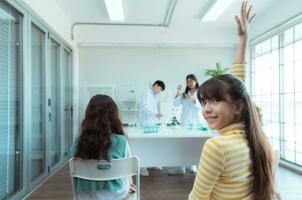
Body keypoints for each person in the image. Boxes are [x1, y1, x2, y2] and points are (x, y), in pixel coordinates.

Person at [189, 2, 279, 199]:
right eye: (203, 102)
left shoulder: (217, 147)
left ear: (238, 106)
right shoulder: (259, 139)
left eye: (214, 101)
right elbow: (239, 87)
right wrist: (243, 39)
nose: (206, 109)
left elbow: (197, 198)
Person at [70, 95, 136, 200]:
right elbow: (129, 171)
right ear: (114, 116)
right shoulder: (121, 141)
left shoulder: (78, 141)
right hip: (118, 195)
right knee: (129, 176)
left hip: (85, 196)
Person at [166, 74, 205, 175]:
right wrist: (178, 93)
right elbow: (175, 103)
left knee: (195, 144)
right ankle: (180, 167)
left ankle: (193, 166)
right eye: (188, 81)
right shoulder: (184, 93)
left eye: (191, 81)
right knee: (182, 143)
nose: (189, 83)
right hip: (185, 121)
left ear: (196, 81)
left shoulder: (201, 92)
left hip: (196, 122)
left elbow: (203, 106)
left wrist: (192, 99)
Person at [138, 80, 165, 176]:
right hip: (145, 123)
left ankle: (153, 162)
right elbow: (144, 108)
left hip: (152, 123)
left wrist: (157, 116)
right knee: (144, 144)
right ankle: (142, 167)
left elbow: (154, 108)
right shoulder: (146, 93)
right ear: (156, 85)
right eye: (160, 89)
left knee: (153, 143)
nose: (159, 91)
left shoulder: (154, 96)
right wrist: (155, 114)